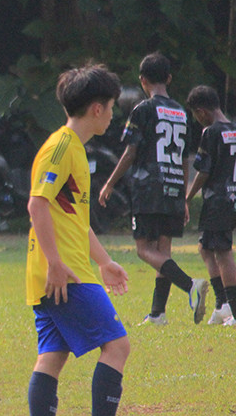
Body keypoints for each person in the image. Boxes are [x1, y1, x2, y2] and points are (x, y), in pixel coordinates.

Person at [23, 64, 149, 416]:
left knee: (52, 356)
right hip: (66, 275)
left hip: (64, 269)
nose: (113, 115)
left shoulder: (73, 147)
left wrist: (106, 261)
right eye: (112, 107)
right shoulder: (62, 147)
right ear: (97, 108)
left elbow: (73, 217)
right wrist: (57, 264)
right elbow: (37, 204)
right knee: (118, 345)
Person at [98, 53, 208, 325]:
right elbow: (184, 157)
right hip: (173, 184)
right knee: (163, 250)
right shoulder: (182, 113)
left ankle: (190, 285)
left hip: (149, 187)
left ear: (142, 80)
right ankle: (158, 314)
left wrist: (109, 183)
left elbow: (130, 152)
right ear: (169, 79)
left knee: (144, 249)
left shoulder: (143, 110)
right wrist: (183, 195)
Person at [183, 86, 236, 326]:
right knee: (205, 248)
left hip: (218, 199)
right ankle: (222, 303)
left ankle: (234, 311)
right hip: (232, 196)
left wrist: (187, 197)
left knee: (223, 253)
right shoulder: (233, 129)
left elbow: (203, 171)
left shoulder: (210, 131)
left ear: (201, 112)